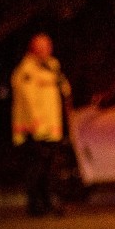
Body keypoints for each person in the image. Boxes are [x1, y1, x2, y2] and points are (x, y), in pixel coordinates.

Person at [11, 33, 71, 217]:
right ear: (33, 49)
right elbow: (28, 101)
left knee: (51, 168)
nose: (45, 50)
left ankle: (49, 203)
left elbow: (64, 89)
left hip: (52, 128)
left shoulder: (53, 66)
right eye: (41, 47)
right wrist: (36, 125)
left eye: (47, 46)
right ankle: (36, 205)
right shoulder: (26, 70)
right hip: (34, 130)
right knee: (36, 169)